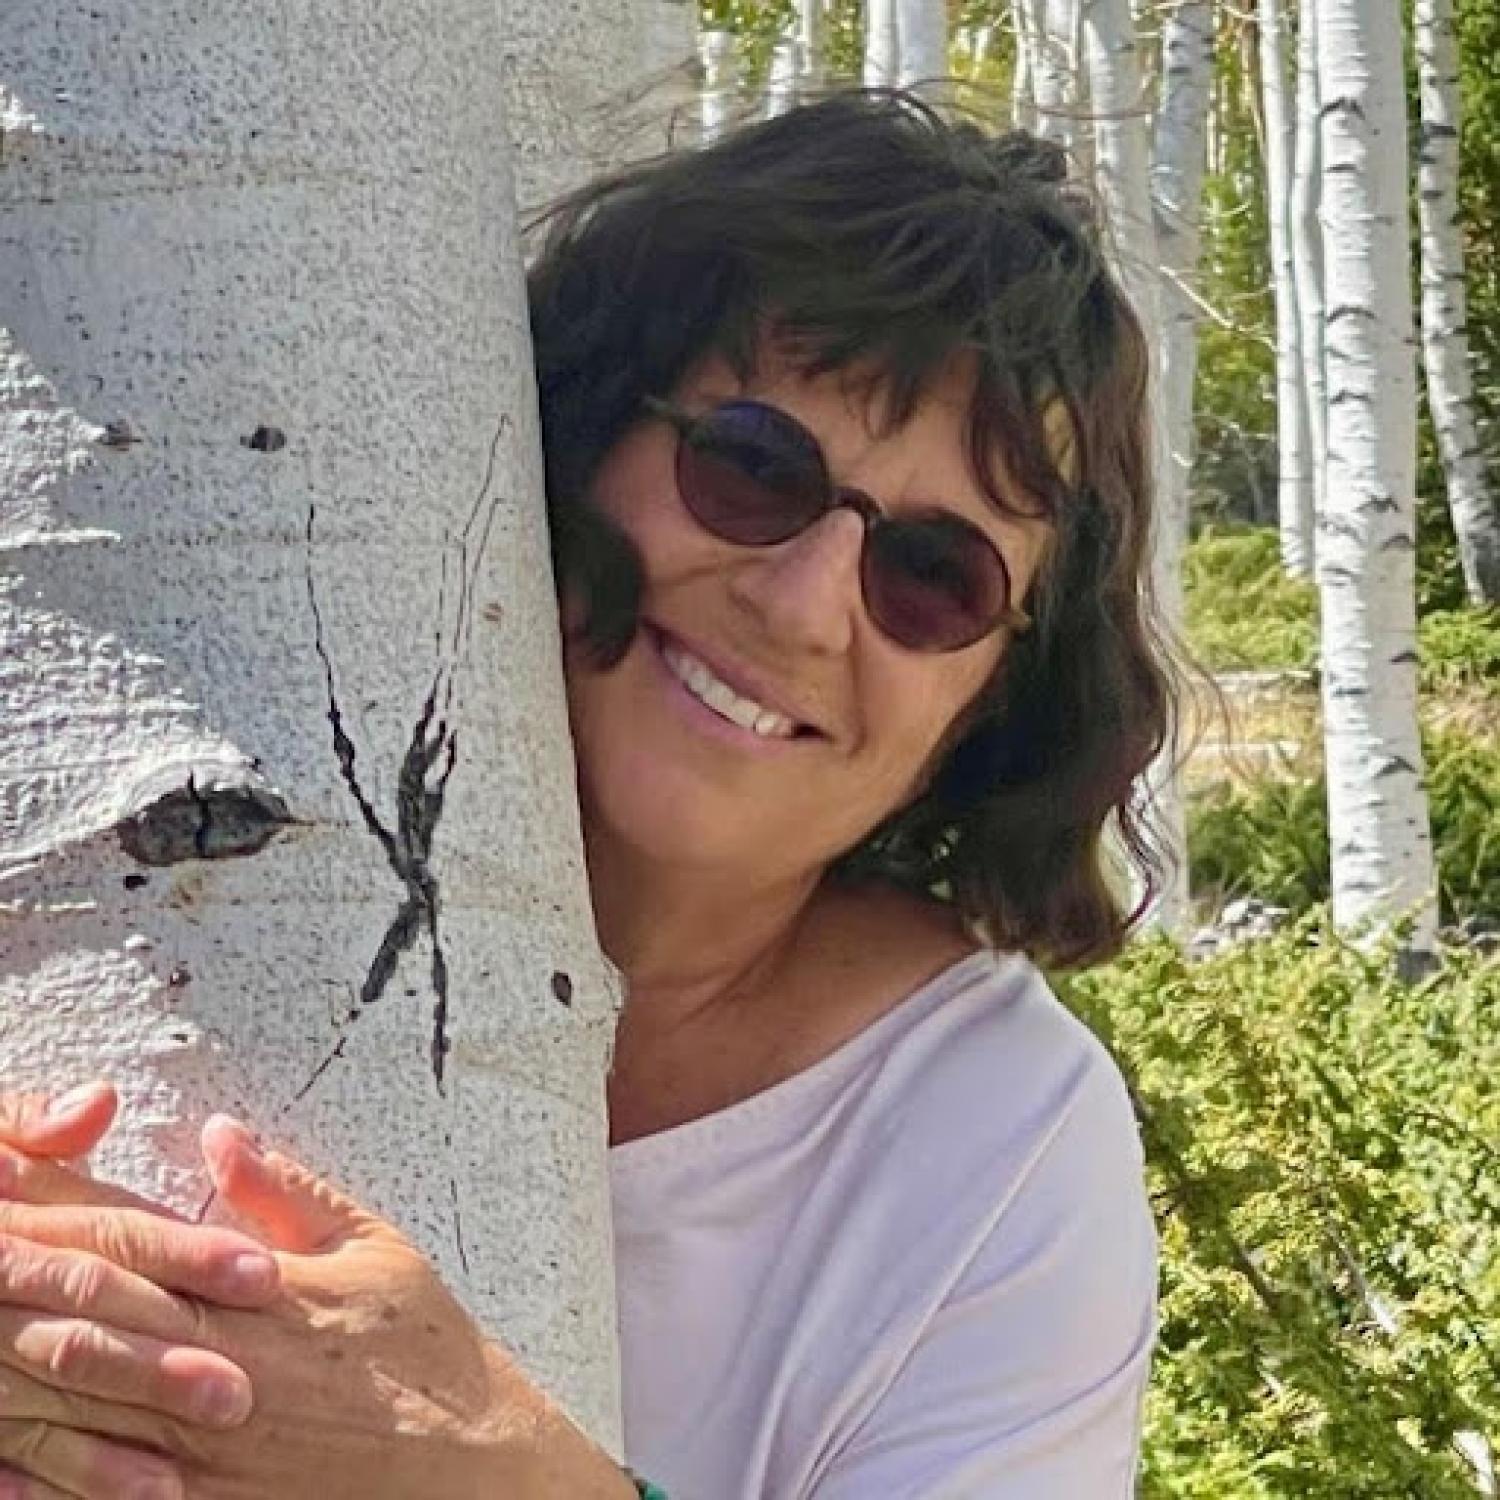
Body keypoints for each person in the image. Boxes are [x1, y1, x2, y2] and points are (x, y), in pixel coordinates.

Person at [0, 90, 1173, 1497]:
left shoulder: (995, 1150)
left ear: (999, 692)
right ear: (577, 432)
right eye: (750, 466)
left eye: (934, 574)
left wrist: (491, 1475)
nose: (805, 606)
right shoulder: (69, 843)